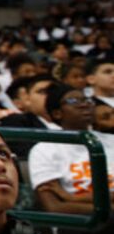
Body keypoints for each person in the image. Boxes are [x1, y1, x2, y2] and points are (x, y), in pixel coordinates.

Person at [28, 85, 114, 216]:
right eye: (73, 101)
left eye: (87, 100)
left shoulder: (111, 140)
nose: (84, 105)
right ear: (57, 113)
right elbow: (54, 207)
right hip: (79, 228)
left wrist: (72, 198)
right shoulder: (43, 150)